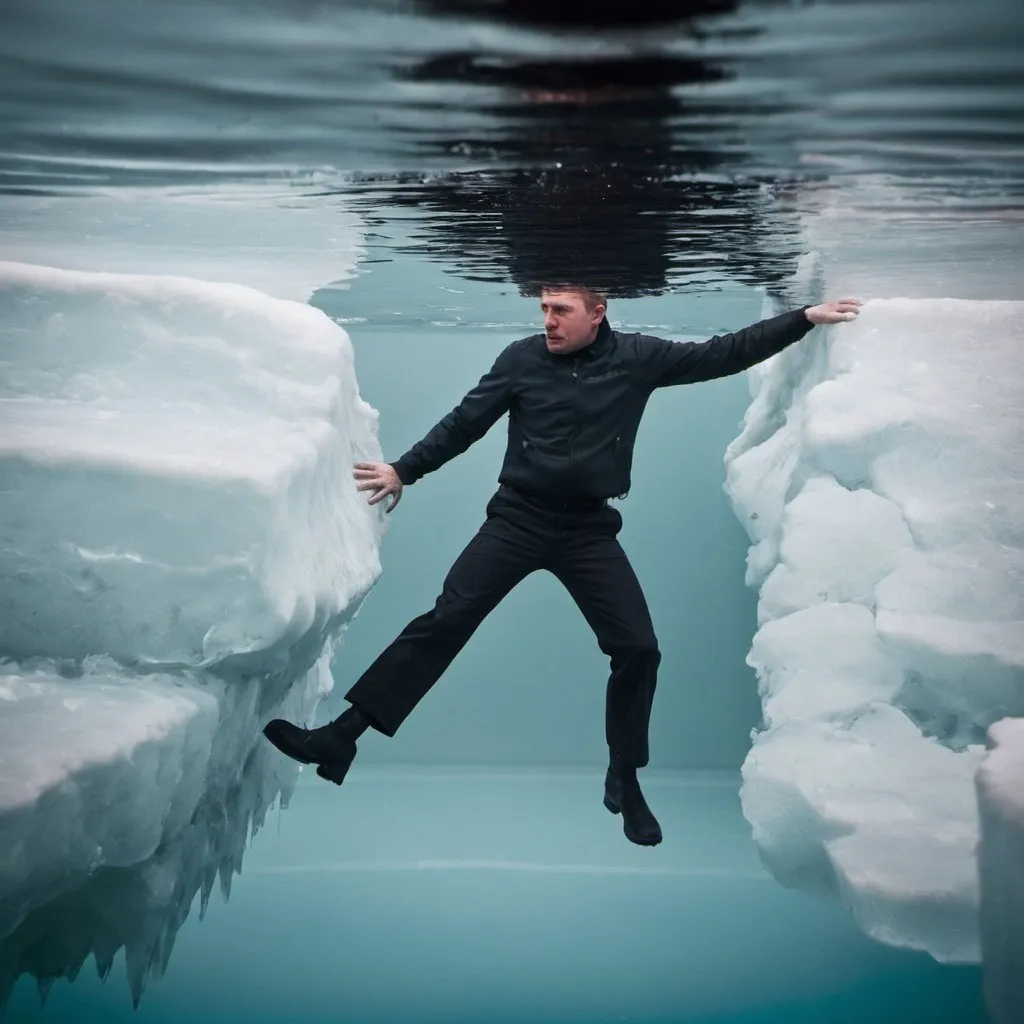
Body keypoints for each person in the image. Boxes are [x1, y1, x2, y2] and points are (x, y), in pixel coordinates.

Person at [264, 287, 862, 846]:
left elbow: (723, 355)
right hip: (517, 520)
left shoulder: (639, 358)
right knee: (446, 620)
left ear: (598, 311)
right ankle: (340, 737)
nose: (547, 321)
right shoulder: (521, 360)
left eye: (560, 311)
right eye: (543, 308)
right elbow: (465, 423)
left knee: (638, 649)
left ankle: (623, 777)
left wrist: (802, 317)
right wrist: (404, 470)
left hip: (588, 531)